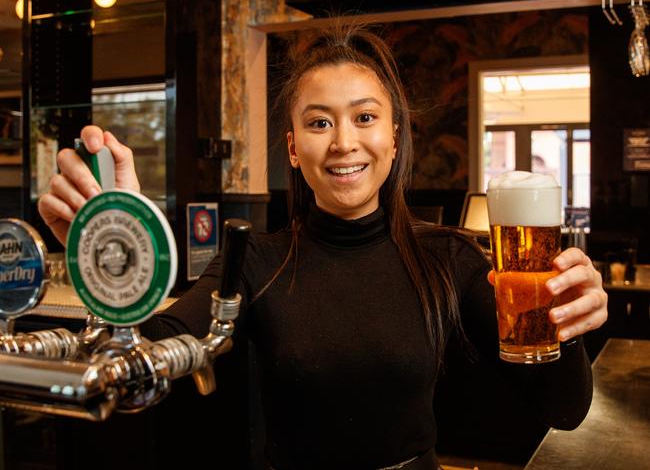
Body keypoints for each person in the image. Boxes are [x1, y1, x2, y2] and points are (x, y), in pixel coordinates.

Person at [38, 25, 607, 470]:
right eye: (318, 123)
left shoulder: (449, 258)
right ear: (291, 147)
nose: (344, 143)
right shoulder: (253, 261)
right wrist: (115, 261)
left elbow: (563, 408)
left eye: (364, 117)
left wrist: (570, 325)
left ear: (394, 137)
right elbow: (144, 358)